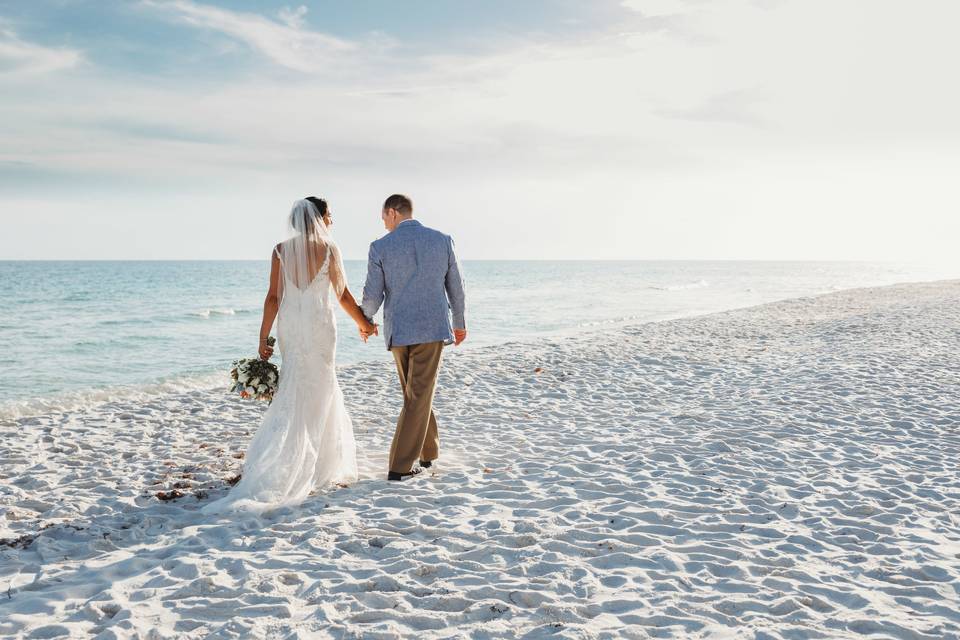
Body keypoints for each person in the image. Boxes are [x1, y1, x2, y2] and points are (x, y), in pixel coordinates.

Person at [203, 197, 374, 514]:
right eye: (330, 215)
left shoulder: (280, 250)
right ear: (320, 218)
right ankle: (322, 465)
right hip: (321, 325)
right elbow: (343, 294)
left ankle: (287, 459)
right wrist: (364, 323)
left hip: (291, 327)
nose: (331, 220)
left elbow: (272, 297)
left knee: (294, 385)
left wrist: (263, 336)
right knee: (322, 385)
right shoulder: (330, 249)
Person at [360, 194, 467, 481]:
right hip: (432, 328)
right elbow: (456, 287)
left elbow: (372, 295)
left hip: (399, 331)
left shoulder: (380, 247)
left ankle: (400, 467)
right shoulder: (442, 240)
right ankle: (428, 451)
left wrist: (365, 321)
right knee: (417, 393)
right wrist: (460, 322)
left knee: (415, 393)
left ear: (393, 212)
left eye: (383, 216)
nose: (383, 223)